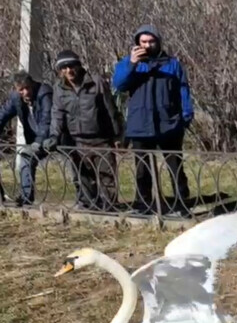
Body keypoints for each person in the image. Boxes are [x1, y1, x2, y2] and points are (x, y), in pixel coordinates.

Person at [112, 24, 194, 216]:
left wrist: (186, 116)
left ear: (158, 42)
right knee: (142, 169)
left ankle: (182, 203)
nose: (147, 45)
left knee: (175, 167)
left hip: (169, 124)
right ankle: (144, 205)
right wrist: (132, 64)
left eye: (151, 41)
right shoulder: (128, 64)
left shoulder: (172, 64)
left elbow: (183, 90)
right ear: (137, 44)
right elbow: (119, 85)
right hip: (140, 124)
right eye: (143, 42)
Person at [46, 50, 123, 212]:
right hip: (77, 142)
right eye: (64, 68)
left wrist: (118, 135)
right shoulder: (59, 89)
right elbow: (57, 114)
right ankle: (90, 209)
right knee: (84, 178)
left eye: (71, 66)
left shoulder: (96, 82)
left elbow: (111, 110)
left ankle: (109, 210)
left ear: (78, 66)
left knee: (106, 177)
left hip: (101, 140)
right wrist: (54, 135)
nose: (69, 71)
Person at [0, 72, 52, 206]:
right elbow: (3, 114)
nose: (26, 92)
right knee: (25, 159)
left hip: (54, 137)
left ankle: (86, 201)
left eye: (27, 87)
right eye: (21, 89)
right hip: (34, 138)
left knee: (76, 163)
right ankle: (26, 198)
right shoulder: (15, 98)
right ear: (16, 90)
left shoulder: (44, 93)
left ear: (32, 85)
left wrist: (39, 140)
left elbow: (47, 119)